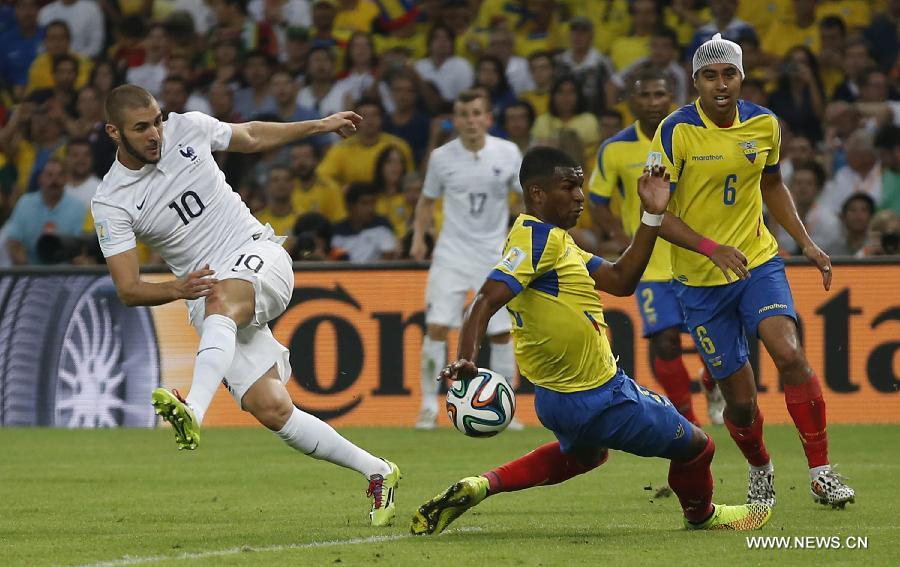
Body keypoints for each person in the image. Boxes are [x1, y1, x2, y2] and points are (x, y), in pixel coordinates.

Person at [409, 147, 772, 536]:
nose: (580, 196)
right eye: (569, 186)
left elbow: (620, 280)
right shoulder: (537, 241)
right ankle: (702, 516)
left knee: (585, 455)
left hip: (555, 399)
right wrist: (467, 358)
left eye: (581, 186)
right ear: (537, 194)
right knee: (699, 448)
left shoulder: (555, 241)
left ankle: (482, 485)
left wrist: (652, 215)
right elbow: (484, 301)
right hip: (600, 396)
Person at [90, 85, 400, 526]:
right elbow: (127, 288)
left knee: (219, 296)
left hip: (258, 254)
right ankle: (378, 471)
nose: (156, 133)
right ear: (113, 132)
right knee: (271, 408)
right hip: (206, 292)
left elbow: (252, 135)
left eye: (157, 120)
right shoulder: (111, 201)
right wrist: (178, 289)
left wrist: (320, 125)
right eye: (141, 128)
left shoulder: (189, 127)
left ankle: (193, 409)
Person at [649, 34, 855, 508]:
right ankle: (761, 468)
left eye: (730, 74)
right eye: (710, 76)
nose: (721, 84)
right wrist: (709, 247)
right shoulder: (675, 131)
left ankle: (822, 473)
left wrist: (806, 243)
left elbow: (773, 183)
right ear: (695, 82)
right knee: (740, 402)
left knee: (789, 353)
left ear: (742, 77)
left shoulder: (764, 124)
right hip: (699, 279)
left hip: (756, 261)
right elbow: (656, 215)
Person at [590, 68, 724, 427]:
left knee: (713, 341)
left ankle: (712, 380)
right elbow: (597, 200)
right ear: (632, 102)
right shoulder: (615, 149)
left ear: (672, 98)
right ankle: (689, 420)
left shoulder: (694, 138)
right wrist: (620, 236)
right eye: (645, 96)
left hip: (695, 257)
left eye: (659, 95)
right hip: (650, 265)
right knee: (664, 342)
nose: (653, 103)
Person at [410, 89, 523, 430]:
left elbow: (521, 199)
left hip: (495, 254)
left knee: (501, 333)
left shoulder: (508, 152)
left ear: (488, 118)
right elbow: (427, 202)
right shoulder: (443, 158)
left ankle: (507, 403)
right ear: (455, 120)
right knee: (437, 328)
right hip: (452, 252)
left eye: (476, 113)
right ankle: (429, 404)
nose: (470, 120)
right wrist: (419, 236)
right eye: (463, 114)